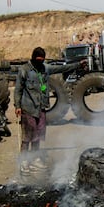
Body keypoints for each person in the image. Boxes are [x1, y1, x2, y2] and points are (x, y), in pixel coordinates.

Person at [14, 47, 86, 175]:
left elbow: (63, 68)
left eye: (42, 60)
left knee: (38, 135)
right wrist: (17, 106)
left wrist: (78, 64)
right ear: (33, 58)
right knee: (27, 136)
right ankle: (24, 162)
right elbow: (18, 89)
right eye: (38, 60)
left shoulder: (45, 68)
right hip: (28, 108)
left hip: (41, 108)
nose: (40, 63)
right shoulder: (24, 70)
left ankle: (34, 158)